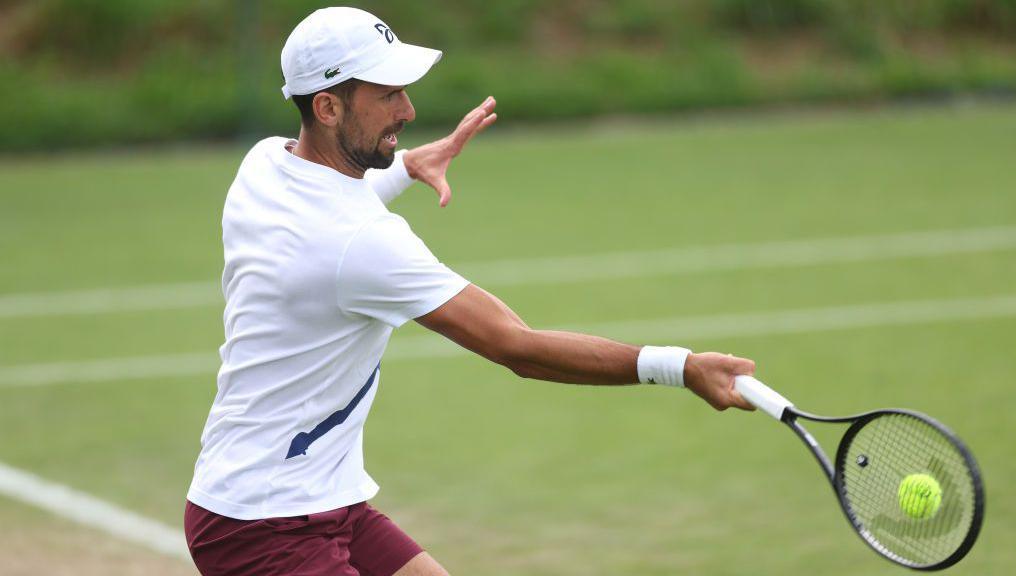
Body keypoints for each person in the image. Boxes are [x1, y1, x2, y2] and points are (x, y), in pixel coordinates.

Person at [184, 6, 756, 576]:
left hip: (309, 498)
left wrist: (405, 164)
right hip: (265, 526)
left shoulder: (263, 165)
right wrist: (679, 367)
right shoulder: (363, 244)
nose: (407, 110)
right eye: (387, 96)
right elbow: (517, 347)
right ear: (328, 106)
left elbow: (330, 200)